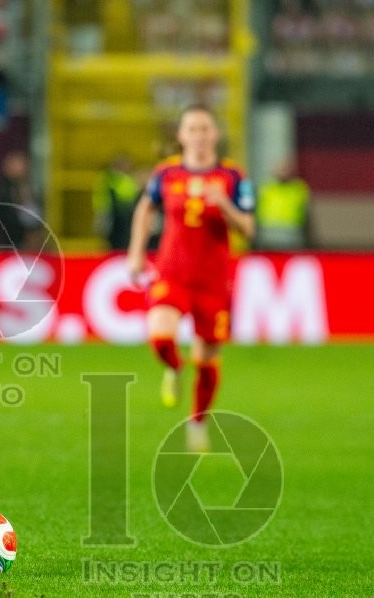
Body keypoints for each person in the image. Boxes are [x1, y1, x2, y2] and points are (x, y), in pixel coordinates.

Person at [127, 104, 255, 452]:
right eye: (192, 129)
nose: (199, 136)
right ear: (182, 136)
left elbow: (247, 227)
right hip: (172, 272)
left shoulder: (233, 177)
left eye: (204, 129)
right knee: (160, 338)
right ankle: (173, 368)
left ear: (215, 135)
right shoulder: (167, 173)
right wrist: (137, 251)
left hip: (213, 280)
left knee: (208, 358)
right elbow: (146, 208)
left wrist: (225, 205)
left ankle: (198, 423)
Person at [255, 159, 311, 250]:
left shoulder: (299, 189)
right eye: (281, 168)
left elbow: (306, 214)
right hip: (267, 235)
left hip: (292, 235)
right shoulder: (266, 187)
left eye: (286, 169)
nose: (283, 171)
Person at [92, 155, 141, 250]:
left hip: (121, 215)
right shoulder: (110, 177)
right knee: (110, 240)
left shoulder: (124, 178)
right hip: (108, 213)